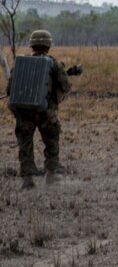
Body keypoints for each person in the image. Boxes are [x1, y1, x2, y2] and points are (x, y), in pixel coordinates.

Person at [6, 30, 71, 189]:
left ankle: (27, 179)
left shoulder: (20, 63)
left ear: (32, 45)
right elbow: (65, 86)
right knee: (51, 141)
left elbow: (9, 90)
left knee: (25, 144)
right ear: (48, 45)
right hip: (45, 112)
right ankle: (51, 175)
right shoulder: (53, 63)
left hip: (23, 112)